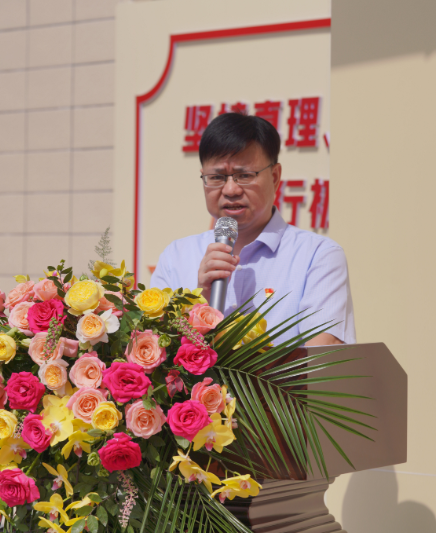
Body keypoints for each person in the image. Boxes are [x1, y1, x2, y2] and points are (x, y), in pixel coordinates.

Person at [151, 113, 355, 346]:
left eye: (244, 175)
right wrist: (201, 300)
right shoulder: (176, 257)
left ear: (275, 177)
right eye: (216, 177)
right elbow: (156, 351)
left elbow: (322, 357)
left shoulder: (317, 256)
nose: (230, 190)